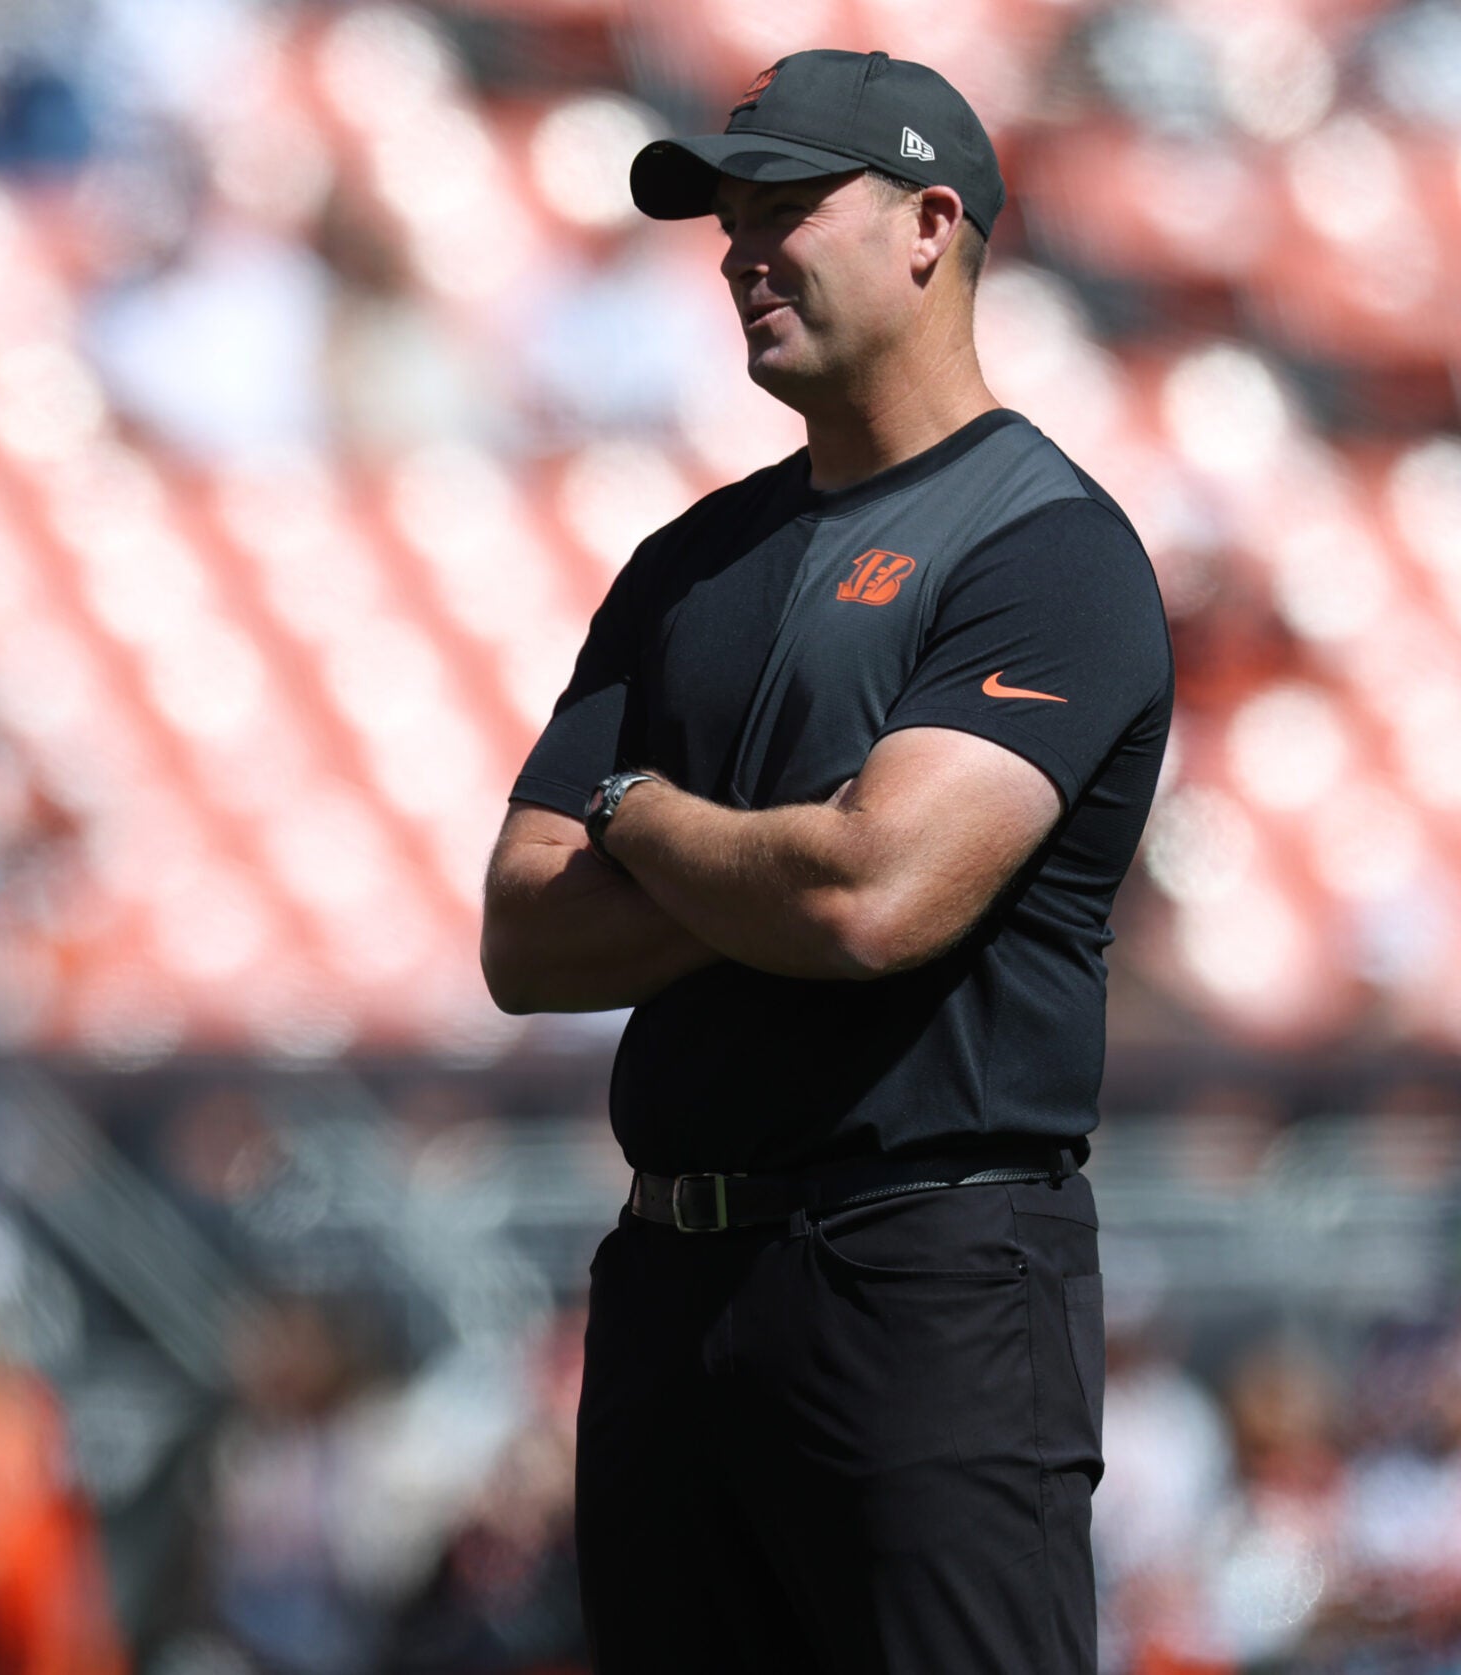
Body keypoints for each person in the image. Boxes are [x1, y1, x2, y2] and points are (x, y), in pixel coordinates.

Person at [479, 51, 1172, 1674]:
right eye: (730, 215)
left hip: (925, 1278)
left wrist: (643, 812)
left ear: (935, 224)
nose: (739, 249)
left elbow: (872, 900)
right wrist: (767, 851)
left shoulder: (1049, 551)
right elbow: (525, 938)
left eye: (787, 206)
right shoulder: (688, 559)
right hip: (668, 1283)